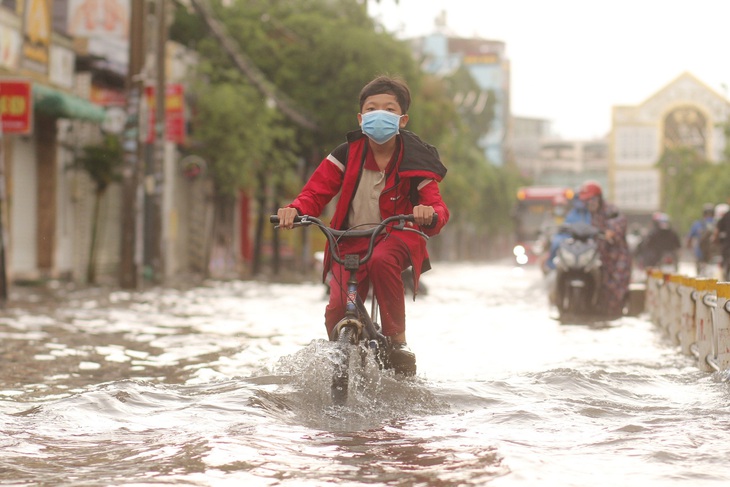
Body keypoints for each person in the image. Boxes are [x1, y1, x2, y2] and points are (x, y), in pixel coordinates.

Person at [276, 75, 449, 375]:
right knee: (338, 306)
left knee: (383, 261)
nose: (378, 114)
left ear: (403, 119)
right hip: (348, 241)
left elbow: (437, 207)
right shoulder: (345, 153)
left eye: (389, 110)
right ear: (360, 117)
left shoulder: (416, 159)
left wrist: (428, 212)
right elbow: (315, 192)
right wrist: (294, 210)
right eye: (371, 109)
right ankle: (340, 353)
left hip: (394, 239)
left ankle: (398, 341)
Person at [576, 180, 631, 319]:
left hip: (618, 260)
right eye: (586, 201)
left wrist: (609, 232)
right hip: (601, 258)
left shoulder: (611, 211)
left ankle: (614, 318)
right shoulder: (590, 215)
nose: (589, 204)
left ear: (598, 198)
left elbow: (617, 225)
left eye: (591, 200)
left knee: (614, 293)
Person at [686, 203, 716, 275]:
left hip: (700, 254)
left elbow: (689, 238)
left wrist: (689, 247)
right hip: (714, 255)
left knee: (700, 275)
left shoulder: (698, 224)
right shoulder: (717, 223)